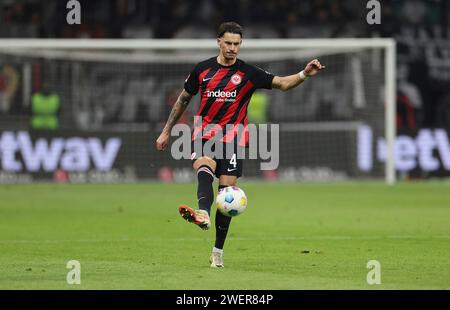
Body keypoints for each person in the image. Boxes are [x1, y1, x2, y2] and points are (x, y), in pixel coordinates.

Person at [156, 22, 324, 268]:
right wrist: (166, 131)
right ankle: (203, 212)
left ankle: (217, 252)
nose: (233, 48)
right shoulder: (202, 70)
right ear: (219, 42)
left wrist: (303, 74)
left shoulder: (248, 73)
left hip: (234, 139)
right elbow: (183, 99)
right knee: (203, 165)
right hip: (205, 133)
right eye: (228, 43)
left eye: (237, 44)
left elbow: (282, 84)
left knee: (227, 196)